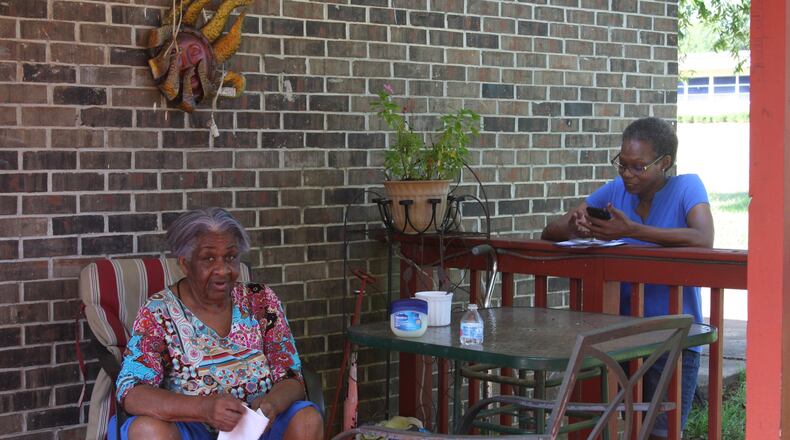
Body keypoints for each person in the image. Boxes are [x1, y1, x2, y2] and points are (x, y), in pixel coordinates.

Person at [541, 117, 714, 439]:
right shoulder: (614, 191)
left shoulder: (686, 186)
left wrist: (633, 231)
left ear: (665, 163)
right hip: (618, 339)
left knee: (662, 432)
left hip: (673, 338)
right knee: (611, 426)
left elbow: (703, 237)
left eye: (638, 166)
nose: (627, 174)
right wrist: (574, 226)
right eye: (622, 164)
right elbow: (549, 231)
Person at [109, 208, 323, 440]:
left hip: (260, 429)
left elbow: (292, 376)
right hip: (192, 429)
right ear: (185, 263)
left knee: (307, 420)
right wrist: (203, 409)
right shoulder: (158, 313)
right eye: (209, 258)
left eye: (230, 257)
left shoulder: (261, 300)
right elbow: (132, 392)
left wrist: (272, 405)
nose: (223, 270)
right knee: (147, 430)